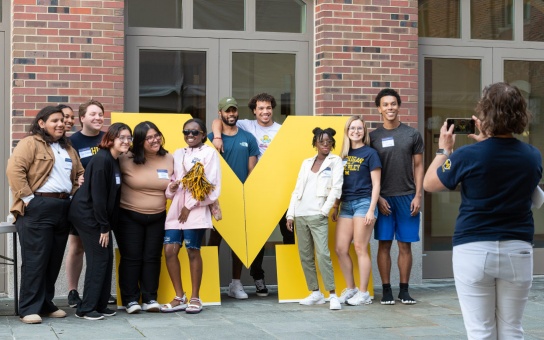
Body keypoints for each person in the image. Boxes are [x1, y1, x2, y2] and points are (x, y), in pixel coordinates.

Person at [423, 82, 542, 339]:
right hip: (517, 248)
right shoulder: (532, 155)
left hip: (474, 248)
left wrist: (444, 150)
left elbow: (429, 183)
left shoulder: (468, 155)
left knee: (480, 331)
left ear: (484, 115)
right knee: (512, 329)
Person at [6, 106, 84, 324]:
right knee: (35, 259)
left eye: (63, 121)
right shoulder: (30, 143)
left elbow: (79, 173)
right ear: (41, 123)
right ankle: (29, 307)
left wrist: (77, 188)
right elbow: (14, 170)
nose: (60, 124)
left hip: (62, 207)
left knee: (53, 259)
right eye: (55, 120)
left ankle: (46, 303)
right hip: (37, 206)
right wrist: (30, 200)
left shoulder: (67, 147)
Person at [211, 92, 291, 296]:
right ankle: (258, 278)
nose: (265, 112)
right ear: (254, 111)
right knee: (255, 236)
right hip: (245, 192)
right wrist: (218, 136)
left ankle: (291, 281)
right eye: (261, 108)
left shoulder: (282, 131)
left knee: (287, 232)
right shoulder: (247, 126)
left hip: (276, 188)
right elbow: (217, 121)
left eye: (268, 108)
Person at [68, 123, 133, 320]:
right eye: (121, 137)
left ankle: (100, 303)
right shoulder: (101, 160)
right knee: (99, 258)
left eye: (129, 138)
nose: (126, 141)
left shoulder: (113, 160)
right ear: (111, 138)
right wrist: (104, 227)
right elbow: (98, 197)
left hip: (98, 216)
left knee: (106, 258)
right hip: (88, 215)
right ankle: (86, 309)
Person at [369, 88, 424, 305]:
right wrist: (378, 198)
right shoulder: (372, 137)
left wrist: (418, 195)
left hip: (407, 196)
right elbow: (368, 171)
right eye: (385, 104)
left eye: (393, 104)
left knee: (405, 245)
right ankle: (386, 290)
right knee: (384, 244)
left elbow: (419, 166)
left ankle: (404, 290)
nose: (390, 108)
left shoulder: (412, 134)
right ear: (379, 109)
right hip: (383, 198)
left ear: (398, 106)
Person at [161, 118, 221, 314]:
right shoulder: (178, 153)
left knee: (192, 250)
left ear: (203, 134)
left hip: (195, 211)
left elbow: (212, 187)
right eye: (186, 131)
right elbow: (171, 182)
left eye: (195, 132)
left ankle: (195, 297)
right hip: (175, 212)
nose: (190, 135)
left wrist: (189, 205)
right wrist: (170, 189)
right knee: (170, 250)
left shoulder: (210, 153)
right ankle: (180, 296)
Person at [64, 100, 117, 308]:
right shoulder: (72, 141)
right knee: (77, 247)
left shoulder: (108, 139)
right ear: (82, 118)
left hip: (102, 202)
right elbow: (67, 168)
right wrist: (75, 178)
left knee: (99, 249)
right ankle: (72, 291)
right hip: (83, 203)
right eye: (93, 114)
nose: (97, 118)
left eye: (100, 114)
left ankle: (98, 292)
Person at [117, 121, 174, 313]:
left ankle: (150, 298)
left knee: (152, 258)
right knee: (132, 258)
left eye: (156, 135)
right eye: (149, 137)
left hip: (158, 216)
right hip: (130, 215)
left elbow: (172, 188)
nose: (155, 140)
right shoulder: (125, 158)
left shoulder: (169, 158)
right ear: (140, 141)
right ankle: (131, 300)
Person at [286, 127, 344, 310]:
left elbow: (337, 188)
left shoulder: (335, 162)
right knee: (305, 256)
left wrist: (324, 211)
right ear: (315, 144)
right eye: (321, 142)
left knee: (323, 255)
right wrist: (290, 214)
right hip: (301, 214)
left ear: (332, 144)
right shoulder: (306, 163)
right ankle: (315, 293)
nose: (325, 145)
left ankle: (332, 294)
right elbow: (297, 189)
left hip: (318, 215)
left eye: (328, 142)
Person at [207, 97, 259, 299]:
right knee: (214, 238)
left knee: (239, 240)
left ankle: (236, 284)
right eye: (227, 111)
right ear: (220, 114)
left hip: (241, 197)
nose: (231, 114)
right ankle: (208, 282)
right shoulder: (212, 138)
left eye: (234, 111)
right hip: (218, 197)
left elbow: (251, 169)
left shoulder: (248, 138)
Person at [332, 116, 381, 306]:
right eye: (352, 128)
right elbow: (338, 184)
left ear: (364, 131)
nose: (356, 131)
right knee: (341, 248)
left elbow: (377, 184)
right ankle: (351, 288)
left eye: (359, 128)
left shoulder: (370, 154)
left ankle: (364, 293)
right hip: (346, 205)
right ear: (347, 131)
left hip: (364, 203)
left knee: (360, 247)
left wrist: (371, 209)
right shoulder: (343, 155)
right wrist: (336, 205)